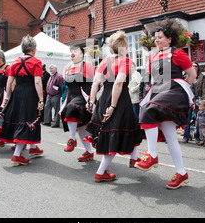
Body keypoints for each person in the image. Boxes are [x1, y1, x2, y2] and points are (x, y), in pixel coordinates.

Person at [136, 19, 196, 189]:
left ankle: (152, 155)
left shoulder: (178, 54)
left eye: (160, 37)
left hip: (174, 91)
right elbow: (154, 79)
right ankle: (182, 173)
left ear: (169, 39)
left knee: (148, 111)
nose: (156, 40)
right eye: (155, 38)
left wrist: (182, 90)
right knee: (170, 136)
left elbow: (191, 75)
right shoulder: (153, 56)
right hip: (159, 92)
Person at [85, 31, 144, 182]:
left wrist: (91, 101)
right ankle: (100, 172)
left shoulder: (104, 61)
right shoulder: (124, 60)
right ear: (124, 46)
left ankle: (133, 158)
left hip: (104, 97)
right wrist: (113, 105)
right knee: (114, 133)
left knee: (132, 124)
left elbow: (96, 83)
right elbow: (118, 83)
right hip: (119, 99)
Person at [0, 35, 44, 165]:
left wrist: (8, 96)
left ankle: (33, 147)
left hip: (17, 93)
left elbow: (9, 81)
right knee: (27, 119)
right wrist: (41, 99)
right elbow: (37, 82)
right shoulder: (36, 62)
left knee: (21, 118)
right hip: (30, 93)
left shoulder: (15, 62)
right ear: (33, 50)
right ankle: (16, 155)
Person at [60, 46, 95, 162]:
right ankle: (89, 153)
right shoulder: (67, 68)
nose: (72, 53)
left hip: (83, 96)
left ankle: (71, 139)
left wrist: (95, 99)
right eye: (71, 52)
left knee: (71, 110)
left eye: (76, 51)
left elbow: (96, 82)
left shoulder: (87, 67)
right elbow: (65, 85)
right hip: (71, 96)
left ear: (82, 54)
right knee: (81, 128)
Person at [182, 61, 205, 143]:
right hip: (188, 100)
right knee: (187, 119)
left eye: (196, 66)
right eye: (192, 66)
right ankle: (186, 136)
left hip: (198, 99)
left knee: (198, 119)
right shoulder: (186, 77)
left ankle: (197, 137)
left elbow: (204, 89)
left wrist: (203, 100)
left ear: (198, 67)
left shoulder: (202, 77)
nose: (194, 67)